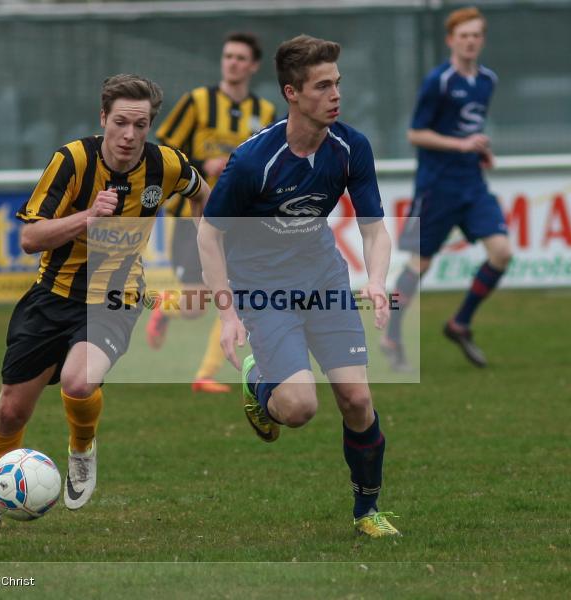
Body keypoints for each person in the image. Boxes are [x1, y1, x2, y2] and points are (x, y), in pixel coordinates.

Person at [0, 74, 209, 531]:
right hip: (51, 296)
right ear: (103, 119)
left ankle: (82, 447)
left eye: (141, 125)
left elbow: (202, 195)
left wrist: (203, 255)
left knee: (79, 382)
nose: (130, 135)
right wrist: (87, 217)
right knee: (11, 411)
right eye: (120, 122)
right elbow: (28, 238)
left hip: (115, 297)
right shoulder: (72, 160)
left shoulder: (166, 166)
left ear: (151, 125)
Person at [197, 35, 400, 538]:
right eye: (322, 86)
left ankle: (367, 512)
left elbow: (374, 228)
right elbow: (208, 235)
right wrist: (228, 316)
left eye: (338, 84)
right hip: (263, 289)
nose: (336, 95)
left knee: (356, 400)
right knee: (299, 409)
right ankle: (257, 380)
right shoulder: (252, 161)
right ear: (292, 92)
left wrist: (375, 280)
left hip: (323, 279)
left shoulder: (351, 146)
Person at [383, 6, 512, 370]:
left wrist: (480, 150)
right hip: (436, 187)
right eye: (463, 35)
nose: (470, 41)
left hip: (472, 184)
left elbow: (468, 128)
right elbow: (415, 133)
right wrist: (460, 145)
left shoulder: (488, 80)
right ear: (450, 40)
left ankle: (459, 323)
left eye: (476, 35)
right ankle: (392, 335)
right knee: (419, 264)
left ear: (482, 40)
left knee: (501, 252)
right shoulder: (438, 81)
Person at [149, 31, 277, 394]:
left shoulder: (264, 113)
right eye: (228, 56)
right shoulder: (197, 102)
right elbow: (166, 149)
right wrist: (205, 163)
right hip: (195, 214)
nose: (232, 63)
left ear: (252, 66)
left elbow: (265, 162)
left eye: (240, 57)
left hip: (237, 218)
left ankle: (205, 374)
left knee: (230, 295)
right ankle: (165, 305)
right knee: (193, 304)